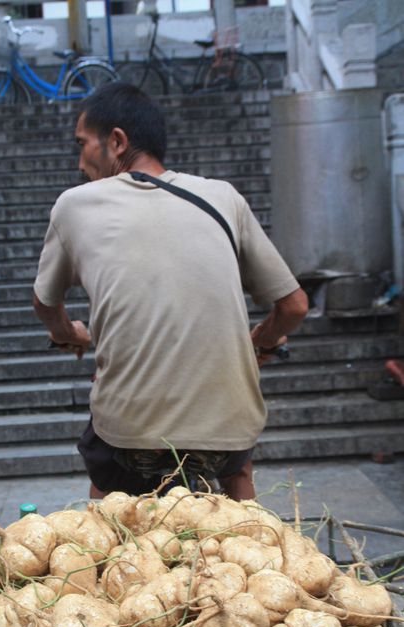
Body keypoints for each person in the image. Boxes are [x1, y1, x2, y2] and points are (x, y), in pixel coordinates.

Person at [33, 83, 308, 501]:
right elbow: (293, 306)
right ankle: (256, 536)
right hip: (227, 433)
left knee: (107, 489)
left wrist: (67, 333)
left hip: (129, 436)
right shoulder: (223, 197)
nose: (80, 160)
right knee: (237, 473)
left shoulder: (75, 205)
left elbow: (45, 303)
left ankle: (104, 556)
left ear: (117, 141)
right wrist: (263, 341)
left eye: (83, 144)